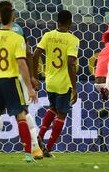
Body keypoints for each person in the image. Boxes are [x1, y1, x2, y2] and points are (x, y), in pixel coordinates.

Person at [0, 1, 43, 160]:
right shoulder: (17, 36)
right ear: (13, 16)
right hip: (11, 81)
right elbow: (22, 62)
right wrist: (30, 87)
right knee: (21, 116)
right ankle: (29, 154)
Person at [33, 10, 79, 157]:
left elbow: (35, 55)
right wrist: (75, 88)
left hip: (50, 81)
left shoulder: (48, 35)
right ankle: (49, 148)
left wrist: (35, 76)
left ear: (57, 21)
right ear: (70, 23)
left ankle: (39, 136)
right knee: (62, 114)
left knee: (52, 108)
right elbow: (71, 63)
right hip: (63, 83)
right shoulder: (73, 40)